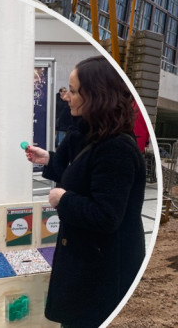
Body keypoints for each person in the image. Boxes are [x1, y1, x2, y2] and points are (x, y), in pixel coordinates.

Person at [24, 56, 146, 326]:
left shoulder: (117, 148)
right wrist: (48, 160)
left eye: (74, 90)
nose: (66, 96)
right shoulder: (88, 133)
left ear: (97, 95)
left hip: (103, 273)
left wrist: (62, 199)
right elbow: (81, 171)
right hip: (87, 263)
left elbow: (106, 215)